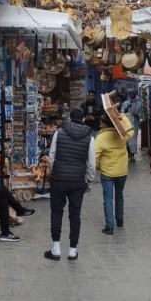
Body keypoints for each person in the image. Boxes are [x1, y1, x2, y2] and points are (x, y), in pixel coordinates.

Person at [45, 108, 96, 261]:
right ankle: (72, 250)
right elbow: (91, 164)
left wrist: (55, 172)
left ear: (69, 118)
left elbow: (51, 157)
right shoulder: (89, 137)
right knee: (75, 215)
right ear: (84, 119)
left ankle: (56, 249)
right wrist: (89, 182)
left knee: (56, 212)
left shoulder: (59, 133)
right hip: (77, 181)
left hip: (59, 180)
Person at [95, 112, 130, 235]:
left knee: (108, 198)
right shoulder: (121, 134)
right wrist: (124, 117)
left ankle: (109, 226)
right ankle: (119, 220)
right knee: (119, 195)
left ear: (105, 124)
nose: (100, 125)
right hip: (122, 171)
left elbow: (95, 157)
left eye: (101, 123)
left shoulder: (100, 138)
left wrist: (99, 167)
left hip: (107, 173)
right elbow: (131, 131)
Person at [120, 87, 141, 162]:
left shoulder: (139, 104)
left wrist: (137, 115)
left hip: (134, 124)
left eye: (133, 94)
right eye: (130, 94)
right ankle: (127, 154)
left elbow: (141, 115)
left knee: (133, 139)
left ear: (135, 94)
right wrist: (126, 109)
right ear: (128, 95)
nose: (132, 95)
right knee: (126, 138)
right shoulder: (125, 103)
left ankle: (132, 155)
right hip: (126, 124)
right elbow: (121, 113)